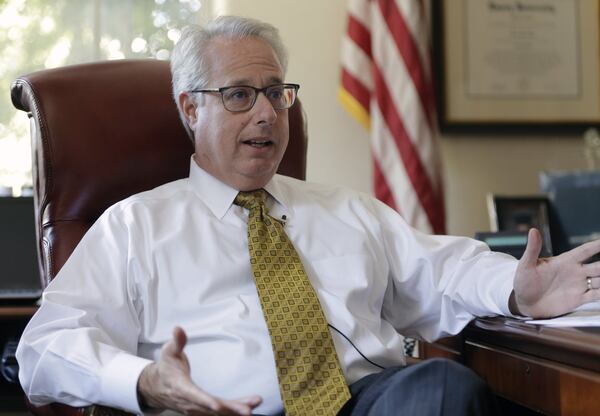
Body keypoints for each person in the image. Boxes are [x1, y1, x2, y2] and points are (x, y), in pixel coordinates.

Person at [16, 16, 600, 416]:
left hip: (364, 401)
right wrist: (145, 381)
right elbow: (44, 348)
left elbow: (443, 271)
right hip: (223, 409)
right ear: (190, 108)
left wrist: (517, 289)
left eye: (277, 92)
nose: (267, 114)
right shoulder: (133, 226)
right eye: (240, 95)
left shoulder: (344, 209)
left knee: (442, 387)